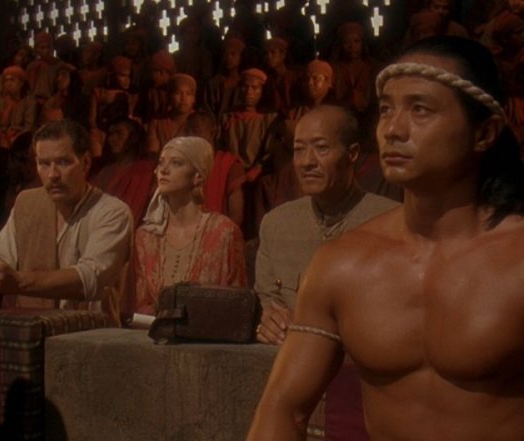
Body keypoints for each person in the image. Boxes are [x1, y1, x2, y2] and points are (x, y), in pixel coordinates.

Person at [248, 36, 524, 441]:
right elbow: (282, 409)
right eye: (386, 110)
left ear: (484, 133)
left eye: (420, 109)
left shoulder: (517, 260)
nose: (393, 130)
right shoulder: (342, 264)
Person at [254, 105, 398, 440]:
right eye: (298, 149)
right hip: (292, 393)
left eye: (321, 148)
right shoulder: (276, 224)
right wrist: (268, 320)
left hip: (365, 403)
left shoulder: (393, 223)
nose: (306, 162)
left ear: (353, 154)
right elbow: (268, 300)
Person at [0, 120, 132, 326]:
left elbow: (90, 279)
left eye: (63, 162)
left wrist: (18, 282)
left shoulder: (112, 212)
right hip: (31, 332)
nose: (53, 175)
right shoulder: (27, 203)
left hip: (92, 336)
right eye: (44, 164)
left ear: (85, 163)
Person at [134, 136, 247, 315]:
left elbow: (238, 304)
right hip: (156, 330)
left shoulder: (224, 232)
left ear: (197, 176)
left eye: (176, 163)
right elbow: (141, 304)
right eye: (161, 162)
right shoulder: (146, 236)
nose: (164, 170)